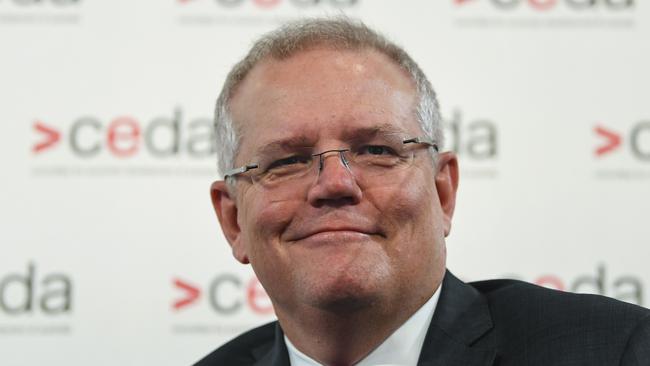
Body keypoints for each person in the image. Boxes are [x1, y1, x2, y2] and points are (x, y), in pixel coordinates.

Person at [196, 17, 650, 366]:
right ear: (233, 220)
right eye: (287, 161)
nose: (335, 183)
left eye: (377, 149)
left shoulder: (613, 350)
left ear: (443, 191)